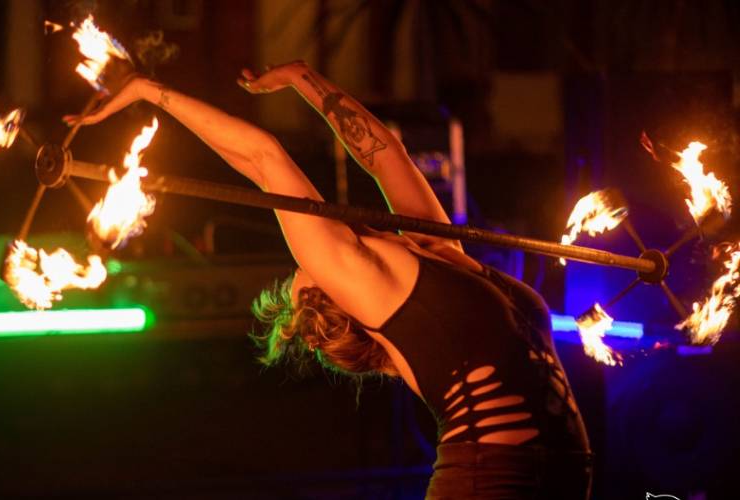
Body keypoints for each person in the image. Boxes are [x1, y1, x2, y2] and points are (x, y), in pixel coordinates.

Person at [65, 60, 592, 499]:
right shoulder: (377, 287)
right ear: (334, 291)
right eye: (307, 268)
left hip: (559, 482)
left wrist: (305, 80)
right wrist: (150, 92)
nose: (308, 254)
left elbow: (385, 153)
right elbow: (262, 157)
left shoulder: (435, 251)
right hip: (493, 484)